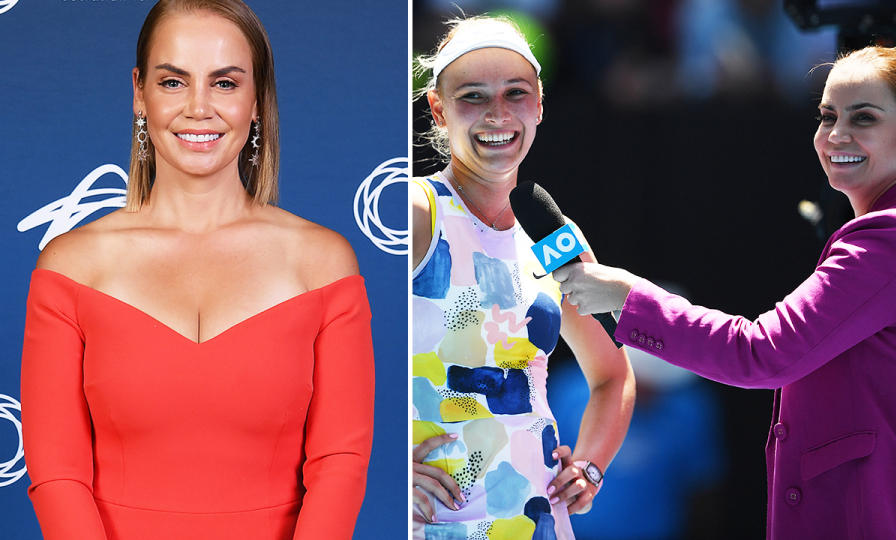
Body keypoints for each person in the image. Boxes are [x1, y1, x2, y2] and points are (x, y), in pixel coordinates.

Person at [553, 46, 896, 538]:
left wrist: (627, 296)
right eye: (827, 116)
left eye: (864, 117)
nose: (836, 135)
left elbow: (761, 353)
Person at [20, 1, 374, 539]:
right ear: (139, 92)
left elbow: (340, 464)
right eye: (173, 82)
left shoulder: (322, 264)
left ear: (257, 100)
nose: (199, 108)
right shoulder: (71, 268)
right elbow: (57, 475)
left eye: (225, 83)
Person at [411, 16, 635, 540]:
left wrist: (591, 467)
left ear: (538, 105)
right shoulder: (415, 209)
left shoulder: (552, 232)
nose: (497, 114)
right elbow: (324, 350)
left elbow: (613, 375)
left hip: (539, 525)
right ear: (438, 110)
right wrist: (381, 469)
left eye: (515, 93)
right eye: (472, 96)